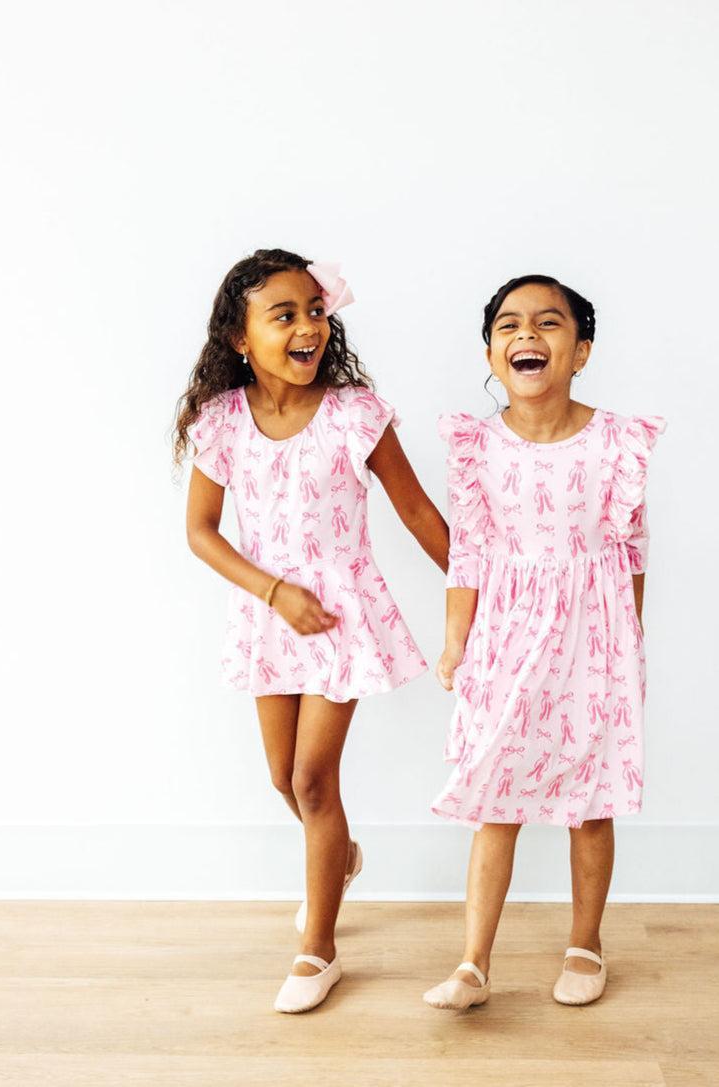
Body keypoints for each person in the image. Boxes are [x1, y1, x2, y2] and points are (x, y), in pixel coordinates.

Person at [172, 248, 449, 1013]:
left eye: (315, 311)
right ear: (239, 338)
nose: (307, 327)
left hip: (340, 616)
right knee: (280, 777)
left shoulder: (357, 412)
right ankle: (343, 857)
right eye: (283, 314)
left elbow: (417, 513)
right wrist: (272, 591)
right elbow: (199, 531)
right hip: (270, 615)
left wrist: (480, 591)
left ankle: (317, 947)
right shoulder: (220, 423)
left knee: (311, 779)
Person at [423, 274, 666, 1011]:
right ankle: (472, 963)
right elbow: (467, 551)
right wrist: (455, 639)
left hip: (593, 635)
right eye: (509, 325)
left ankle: (585, 941)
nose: (527, 334)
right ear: (491, 353)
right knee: (495, 794)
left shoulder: (616, 441)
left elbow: (631, 549)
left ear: (580, 349)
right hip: (505, 630)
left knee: (589, 800)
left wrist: (629, 636)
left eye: (549, 323)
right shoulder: (475, 446)